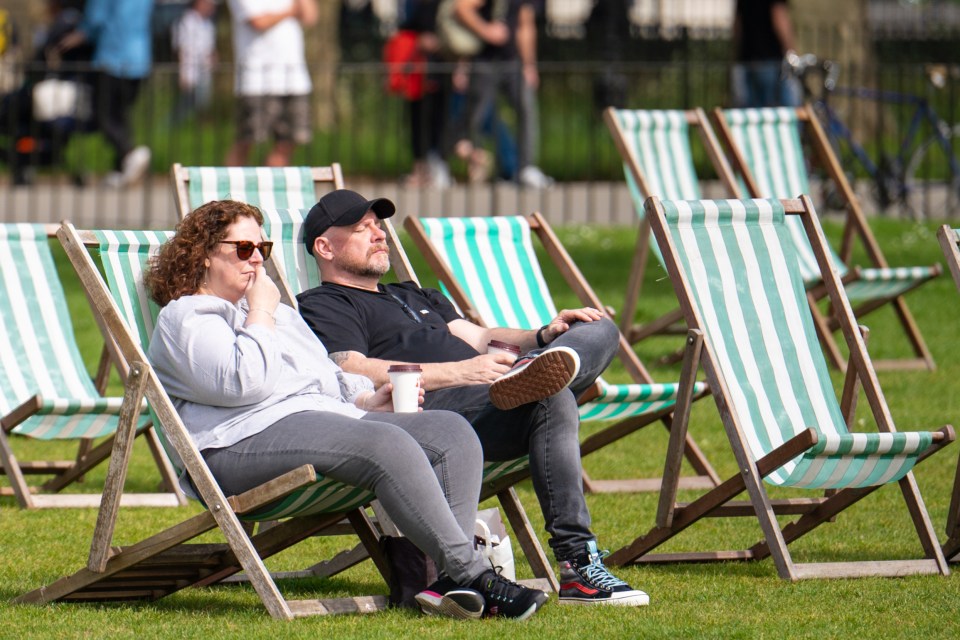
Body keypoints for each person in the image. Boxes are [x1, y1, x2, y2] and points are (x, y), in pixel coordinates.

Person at [143, 199, 549, 621]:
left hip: (315, 422)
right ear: (206, 253)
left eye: (262, 248)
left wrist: (365, 400)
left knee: (450, 432)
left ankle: (448, 580)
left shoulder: (277, 315)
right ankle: (475, 575)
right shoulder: (188, 317)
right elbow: (246, 383)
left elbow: (323, 377)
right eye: (244, 249)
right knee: (385, 441)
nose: (257, 260)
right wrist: (261, 311)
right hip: (237, 443)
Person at [297, 189, 651, 607]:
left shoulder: (414, 293)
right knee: (551, 399)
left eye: (379, 226)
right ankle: (578, 565)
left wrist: (543, 334)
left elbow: (481, 338)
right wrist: (462, 373)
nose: (380, 235)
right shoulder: (324, 303)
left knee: (597, 328)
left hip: (491, 396)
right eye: (363, 229)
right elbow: (350, 367)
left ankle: (550, 364)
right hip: (430, 413)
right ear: (324, 247)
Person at [448, 0, 552, 188]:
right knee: (474, 116)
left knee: (526, 109)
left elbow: (525, 25)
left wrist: (529, 64)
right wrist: (486, 30)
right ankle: (455, 163)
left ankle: (526, 168)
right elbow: (462, 8)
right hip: (485, 60)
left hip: (512, 61)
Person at [55, 0, 152, 187]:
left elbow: (95, 20)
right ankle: (121, 168)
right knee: (121, 115)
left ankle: (130, 153)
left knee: (104, 114)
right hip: (140, 59)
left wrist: (80, 34)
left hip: (113, 57)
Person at [224, 0, 316, 167]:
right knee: (247, 141)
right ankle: (227, 191)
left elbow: (310, 16)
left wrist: (295, 9)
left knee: (287, 143)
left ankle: (270, 189)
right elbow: (258, 22)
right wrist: (290, 11)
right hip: (256, 79)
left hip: (294, 78)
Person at [730, 0, 801, 108]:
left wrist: (736, 54)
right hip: (770, 59)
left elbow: (737, 25)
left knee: (752, 110)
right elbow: (778, 17)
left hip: (747, 59)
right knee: (772, 109)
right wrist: (790, 50)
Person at [170, 0, 217, 125]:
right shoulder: (186, 21)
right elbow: (181, 47)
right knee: (187, 101)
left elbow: (209, 46)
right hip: (189, 68)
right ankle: (170, 125)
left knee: (202, 100)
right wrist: (183, 72)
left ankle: (199, 124)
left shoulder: (208, 23)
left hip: (205, 69)